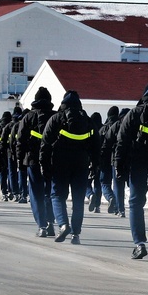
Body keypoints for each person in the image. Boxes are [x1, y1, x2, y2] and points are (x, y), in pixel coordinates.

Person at [115, 81, 148, 260]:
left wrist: (119, 164)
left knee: (136, 203)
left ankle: (139, 244)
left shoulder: (134, 113)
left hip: (137, 164)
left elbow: (121, 141)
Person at [41, 91, 100, 244]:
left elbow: (45, 144)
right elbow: (96, 145)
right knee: (78, 199)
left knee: (57, 195)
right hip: (81, 164)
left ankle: (63, 224)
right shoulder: (87, 120)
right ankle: (76, 234)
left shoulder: (56, 119)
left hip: (60, 163)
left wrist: (44, 165)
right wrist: (95, 165)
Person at [17, 87, 56, 236]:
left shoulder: (28, 117)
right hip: (51, 160)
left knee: (35, 193)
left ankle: (42, 226)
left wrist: (20, 160)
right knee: (49, 192)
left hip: (32, 160)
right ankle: (51, 221)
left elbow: (20, 140)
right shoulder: (56, 116)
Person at [98, 106, 122, 215]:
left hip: (105, 160)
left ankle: (110, 197)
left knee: (105, 183)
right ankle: (118, 207)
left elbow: (100, 144)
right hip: (116, 159)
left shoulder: (103, 129)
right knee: (118, 184)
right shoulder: (121, 125)